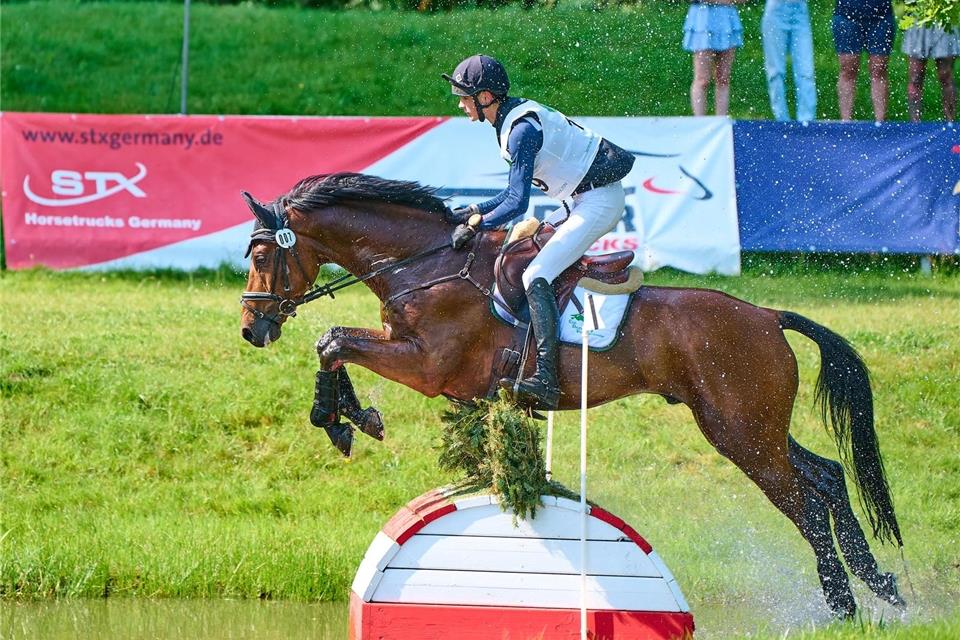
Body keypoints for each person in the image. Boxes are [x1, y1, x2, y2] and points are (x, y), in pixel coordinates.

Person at [442, 54, 635, 410]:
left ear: (486, 97)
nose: (460, 103)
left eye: (465, 96)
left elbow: (516, 204)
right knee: (522, 261)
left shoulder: (521, 131)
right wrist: (473, 211)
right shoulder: (511, 122)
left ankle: (547, 377)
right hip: (579, 200)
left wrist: (478, 225)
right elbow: (508, 195)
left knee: (536, 274)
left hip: (597, 202)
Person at [832, 0, 896, 121]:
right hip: (846, 15)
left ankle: (880, 124)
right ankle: (846, 123)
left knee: (879, 70)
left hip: (881, 15)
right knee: (847, 70)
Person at [682, 0, 746, 116]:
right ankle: (700, 124)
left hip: (727, 20)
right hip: (702, 21)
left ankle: (720, 124)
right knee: (702, 79)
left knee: (723, 79)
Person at [762, 0, 817, 122]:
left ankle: (807, 122)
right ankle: (781, 121)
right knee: (775, 72)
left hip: (801, 9)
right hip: (776, 9)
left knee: (806, 72)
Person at [902, 20, 960, 121]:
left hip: (944, 19)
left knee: (946, 75)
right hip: (917, 19)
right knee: (915, 77)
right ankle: (914, 125)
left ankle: (950, 123)